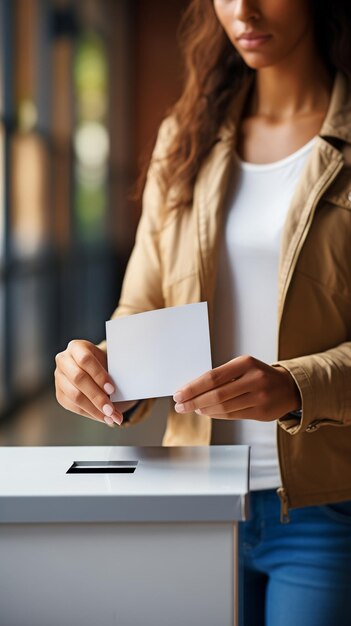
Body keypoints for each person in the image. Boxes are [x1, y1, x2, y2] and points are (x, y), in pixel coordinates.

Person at [55, 1, 351, 624]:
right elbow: (142, 301)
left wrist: (294, 386)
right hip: (192, 493)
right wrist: (104, 370)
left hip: (327, 509)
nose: (242, 9)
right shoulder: (186, 133)